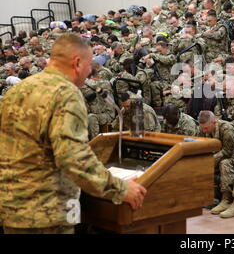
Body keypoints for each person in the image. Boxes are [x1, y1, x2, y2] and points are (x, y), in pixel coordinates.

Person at [0, 33, 146, 234]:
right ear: (77, 63)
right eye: (89, 66)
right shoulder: (66, 94)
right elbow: (73, 158)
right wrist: (121, 189)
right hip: (46, 214)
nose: (89, 72)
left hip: (12, 209)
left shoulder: (17, 90)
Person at [197, 111, 234, 215]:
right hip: (225, 154)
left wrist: (211, 160)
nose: (204, 131)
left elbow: (228, 152)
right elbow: (200, 144)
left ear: (214, 122)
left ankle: (226, 199)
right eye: (202, 128)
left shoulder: (226, 129)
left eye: (206, 128)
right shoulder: (203, 128)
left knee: (224, 163)